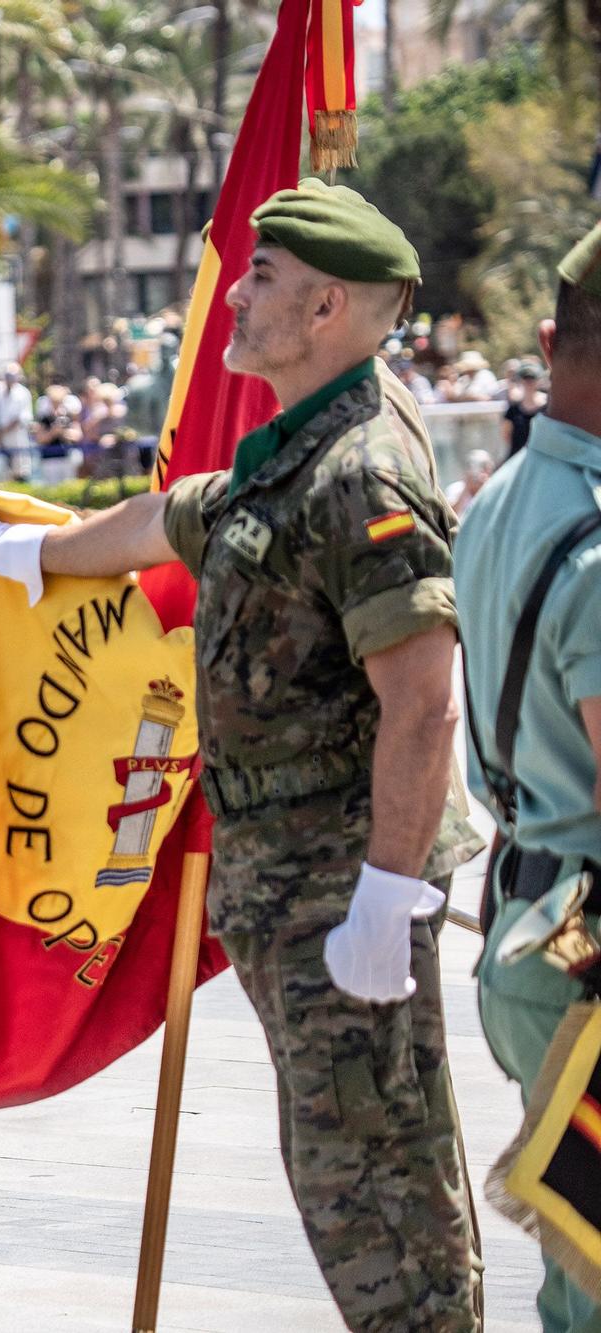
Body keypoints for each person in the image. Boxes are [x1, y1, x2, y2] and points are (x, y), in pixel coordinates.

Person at [0, 180, 484, 1331]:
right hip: (286, 888)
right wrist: (27, 554)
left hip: (340, 889)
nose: (236, 292)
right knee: (340, 1180)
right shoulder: (292, 452)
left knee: (380, 1195)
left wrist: (385, 894)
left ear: (328, 304)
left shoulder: (360, 473)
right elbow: (169, 516)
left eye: (264, 277)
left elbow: (423, 703)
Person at [454, 220, 601, 1333]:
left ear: (549, 342)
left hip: (527, 929)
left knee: (578, 1267)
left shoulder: (499, 497)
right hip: (588, 958)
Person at [0, 362, 34, 479]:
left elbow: (22, 417)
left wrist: (2, 431)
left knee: (20, 470)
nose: (10, 378)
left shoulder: (23, 393)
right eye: (7, 375)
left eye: (13, 375)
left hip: (16, 436)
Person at [506, 360, 548, 454]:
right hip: (516, 456)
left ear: (538, 380)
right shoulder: (513, 409)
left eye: (532, 379)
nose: (528, 382)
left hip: (540, 456)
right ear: (520, 380)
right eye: (525, 378)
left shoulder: (547, 408)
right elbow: (506, 435)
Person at [445, 449, 495, 518]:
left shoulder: (493, 489)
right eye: (481, 467)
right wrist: (466, 489)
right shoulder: (455, 489)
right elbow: (449, 517)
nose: (482, 473)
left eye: (486, 468)